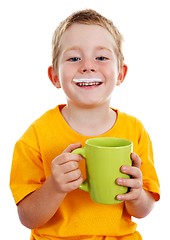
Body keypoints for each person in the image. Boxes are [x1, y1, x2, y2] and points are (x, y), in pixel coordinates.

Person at [10, 9, 160, 240]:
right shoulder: (36, 136)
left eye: (101, 57)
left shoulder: (136, 131)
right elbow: (27, 218)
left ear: (121, 73)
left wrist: (137, 194)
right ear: (55, 77)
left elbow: (143, 211)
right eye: (73, 58)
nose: (88, 66)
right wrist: (55, 187)